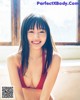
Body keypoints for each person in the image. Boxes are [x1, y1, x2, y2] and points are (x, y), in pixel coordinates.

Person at [7, 14, 61, 100]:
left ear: (47, 34)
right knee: (6, 92)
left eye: (41, 32)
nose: (36, 37)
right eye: (31, 31)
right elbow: (18, 95)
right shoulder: (12, 60)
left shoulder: (55, 58)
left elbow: (45, 96)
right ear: (24, 34)